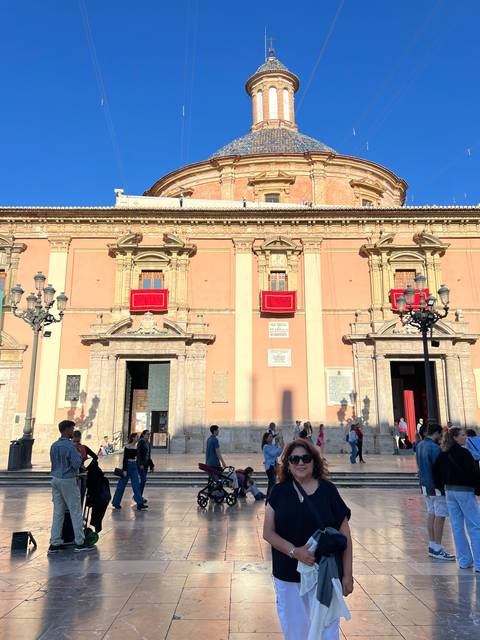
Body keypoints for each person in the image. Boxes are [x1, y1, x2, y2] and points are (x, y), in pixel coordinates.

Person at [263, 439, 353, 640]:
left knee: (327, 628)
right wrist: (296, 552)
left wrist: (348, 575)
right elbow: (268, 532)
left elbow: (345, 535)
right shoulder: (279, 492)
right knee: (295, 630)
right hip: (287, 573)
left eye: (306, 458)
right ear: (287, 464)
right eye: (294, 459)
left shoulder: (328, 491)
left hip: (325, 573)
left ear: (315, 461)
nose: (300, 463)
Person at [434, 427, 480, 572]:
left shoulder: (443, 454)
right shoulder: (465, 453)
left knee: (457, 526)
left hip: (449, 491)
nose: (465, 437)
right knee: (474, 526)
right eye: (462, 435)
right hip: (464, 491)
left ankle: (464, 561)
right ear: (455, 437)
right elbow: (474, 473)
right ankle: (479, 563)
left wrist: (443, 487)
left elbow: (436, 473)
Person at [48, 420, 93, 553]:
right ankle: (80, 541)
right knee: (75, 510)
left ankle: (55, 543)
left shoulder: (54, 445)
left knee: (58, 512)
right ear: (67, 430)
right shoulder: (69, 446)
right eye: (72, 429)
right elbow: (76, 463)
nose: (73, 431)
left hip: (55, 479)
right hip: (68, 479)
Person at [415, 423, 455, 560]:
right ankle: (438, 547)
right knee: (440, 514)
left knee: (431, 512)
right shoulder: (435, 448)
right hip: (436, 486)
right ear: (437, 433)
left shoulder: (419, 445)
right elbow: (439, 469)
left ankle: (432, 544)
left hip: (425, 485)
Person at [111, 433, 148, 510]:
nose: (138, 438)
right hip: (127, 466)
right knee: (121, 485)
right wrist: (124, 470)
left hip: (134, 466)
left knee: (136, 485)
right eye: (137, 437)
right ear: (133, 438)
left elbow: (139, 457)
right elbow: (125, 459)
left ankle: (140, 503)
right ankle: (116, 503)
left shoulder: (136, 447)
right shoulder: (127, 446)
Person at [72, 429, 98, 503]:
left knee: (76, 495)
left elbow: (95, 457)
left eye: (77, 441)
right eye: (75, 441)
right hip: (81, 473)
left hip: (73, 474)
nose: (76, 443)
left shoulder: (70, 447)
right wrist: (87, 466)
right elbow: (95, 457)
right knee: (80, 495)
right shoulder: (83, 447)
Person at [262, 431, 284, 502]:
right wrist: (281, 447)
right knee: (272, 483)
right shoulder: (265, 447)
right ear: (266, 439)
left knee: (272, 483)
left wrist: (278, 443)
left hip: (274, 466)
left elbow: (278, 454)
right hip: (270, 467)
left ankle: (269, 500)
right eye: (270, 437)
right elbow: (273, 453)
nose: (271, 438)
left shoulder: (272, 446)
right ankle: (269, 500)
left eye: (272, 437)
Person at [136, 429, 154, 496]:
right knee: (143, 480)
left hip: (146, 464)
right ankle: (138, 496)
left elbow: (148, 455)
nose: (149, 435)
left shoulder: (148, 443)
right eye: (147, 434)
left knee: (143, 481)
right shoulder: (141, 442)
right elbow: (138, 454)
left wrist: (151, 465)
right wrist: (140, 464)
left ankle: (139, 496)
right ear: (143, 434)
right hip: (140, 464)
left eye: (149, 434)